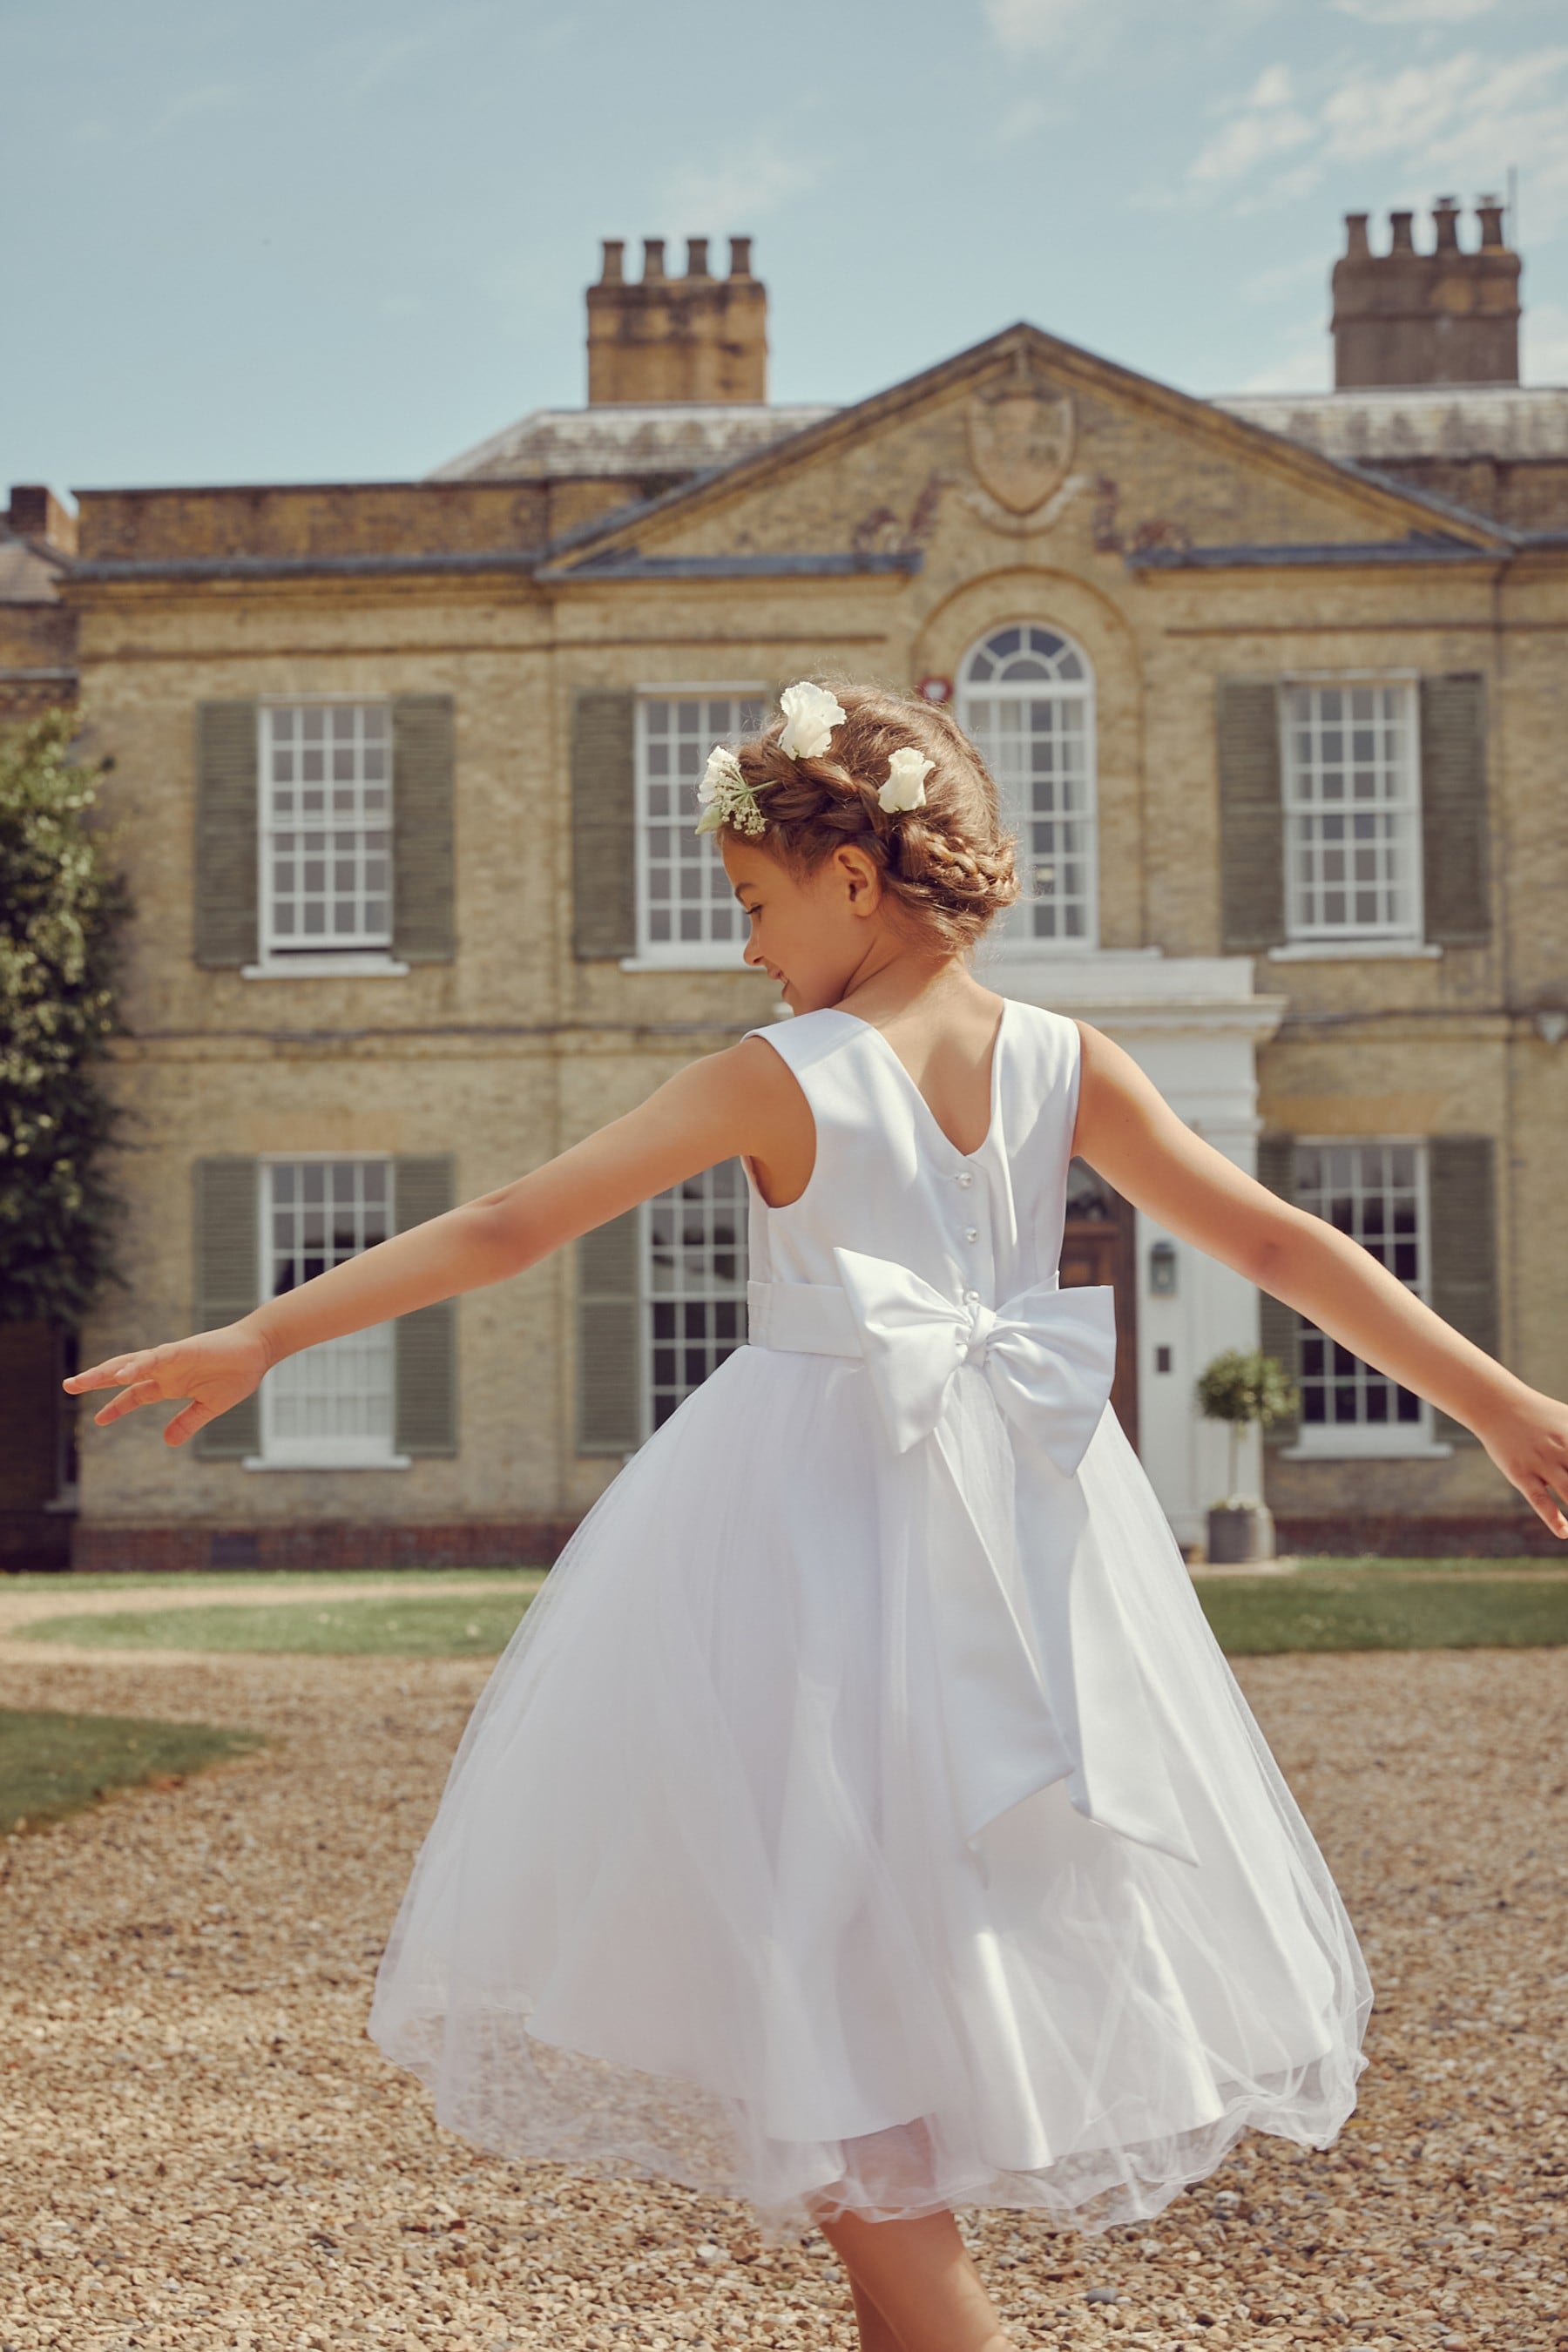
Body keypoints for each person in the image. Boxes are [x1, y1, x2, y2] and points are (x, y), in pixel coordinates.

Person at [64, 681, 1568, 2352]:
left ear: (854, 877)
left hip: (811, 1538)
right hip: (1019, 1528)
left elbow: (507, 1226)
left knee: (819, 1930)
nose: (748, 947)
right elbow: (1285, 1246)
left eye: (754, 904)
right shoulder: (1070, 1063)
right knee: (919, 1910)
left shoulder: (785, 1074)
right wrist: (1506, 1406)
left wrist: (265, 1333)